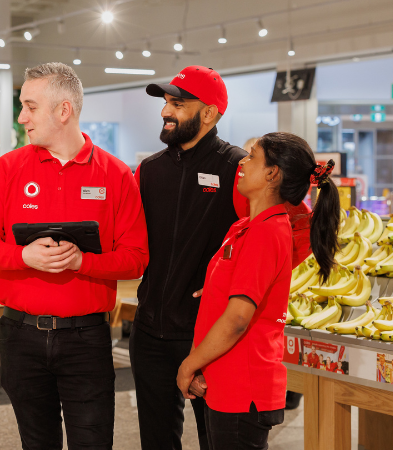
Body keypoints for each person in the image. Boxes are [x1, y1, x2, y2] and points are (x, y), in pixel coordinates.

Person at [130, 66, 314, 450]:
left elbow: (296, 232)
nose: (166, 112)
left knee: (219, 440)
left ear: (209, 113)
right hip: (149, 331)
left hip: (209, 337)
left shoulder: (239, 168)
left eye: (177, 104)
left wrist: (233, 284)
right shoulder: (148, 170)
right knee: (156, 441)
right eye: (166, 103)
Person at [0, 62, 149, 449]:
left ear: (63, 111)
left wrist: (84, 261)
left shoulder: (115, 175)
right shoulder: (9, 168)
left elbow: (136, 258)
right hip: (20, 337)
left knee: (93, 442)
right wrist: (24, 257)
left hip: (86, 339)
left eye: (30, 106)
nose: (21, 117)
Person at [176, 132, 341, 449]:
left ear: (272, 173)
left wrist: (188, 364)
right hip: (225, 382)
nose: (242, 163)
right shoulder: (246, 227)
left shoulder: (266, 233)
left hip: (244, 389)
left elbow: (238, 318)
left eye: (252, 156)